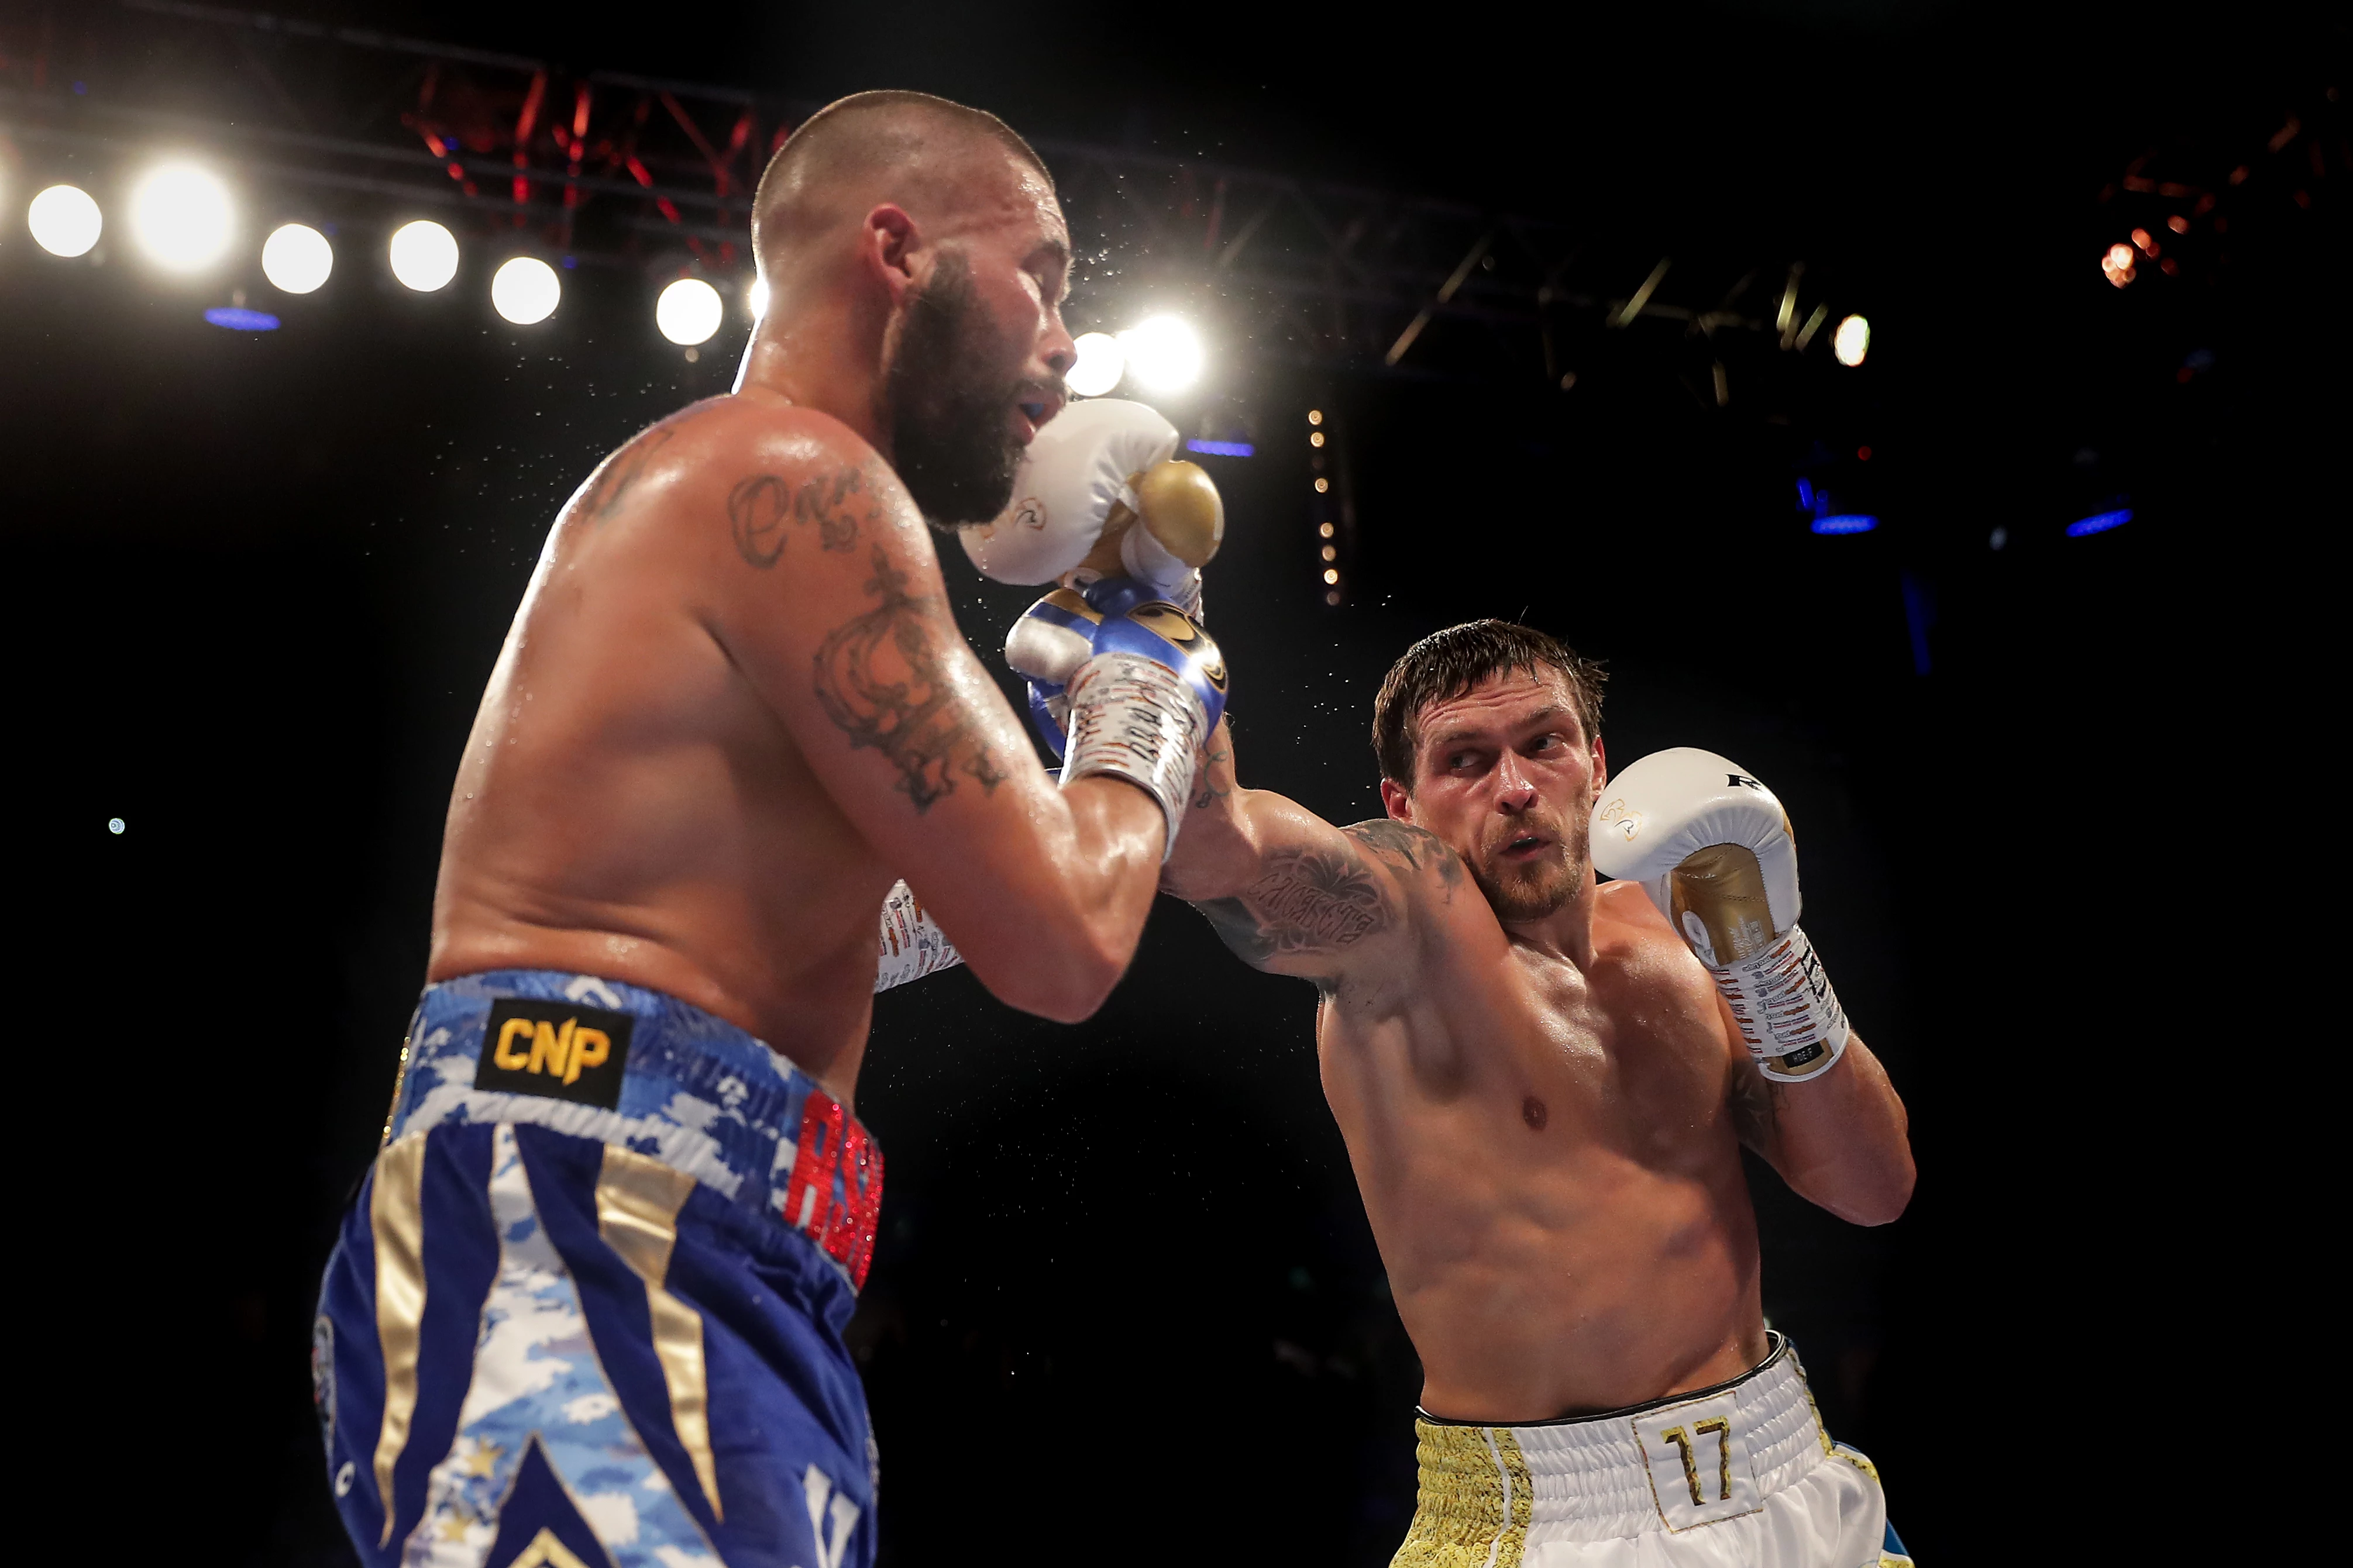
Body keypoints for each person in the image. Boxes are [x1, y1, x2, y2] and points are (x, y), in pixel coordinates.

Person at [311, 91, 1224, 1568]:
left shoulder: (752, 496)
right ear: (895, 249)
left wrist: (1072, 790)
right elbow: (1062, 942)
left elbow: (878, 916)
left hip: (675, 1235)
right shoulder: (795, 479)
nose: (1064, 336)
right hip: (593, 1222)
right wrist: (1151, 680)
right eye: (1041, 274)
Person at [1156, 620, 1917, 1566]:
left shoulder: (1682, 928)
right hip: (1561, 1526)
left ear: (1596, 762)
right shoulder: (1402, 939)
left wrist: (1767, 958)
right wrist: (1163, 657)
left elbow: (1872, 1187)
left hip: (1792, 1471)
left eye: (1542, 744)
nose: (1514, 788)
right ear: (1403, 803)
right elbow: (1214, 850)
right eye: (1464, 761)